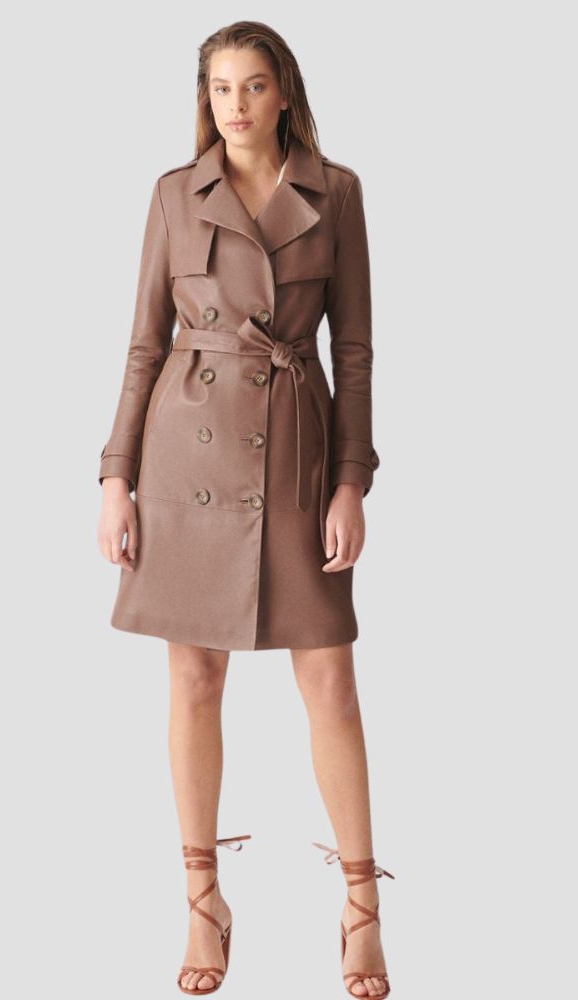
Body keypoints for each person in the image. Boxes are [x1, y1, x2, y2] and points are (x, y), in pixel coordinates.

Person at [97, 21, 392, 998]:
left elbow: (353, 350)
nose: (235, 104)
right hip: (185, 459)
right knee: (193, 681)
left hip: (297, 454)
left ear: (284, 93)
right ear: (206, 98)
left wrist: (351, 480)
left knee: (331, 684)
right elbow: (144, 345)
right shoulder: (172, 195)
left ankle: (361, 908)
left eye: (254, 85)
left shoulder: (335, 192)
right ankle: (202, 902)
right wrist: (115, 476)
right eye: (220, 87)